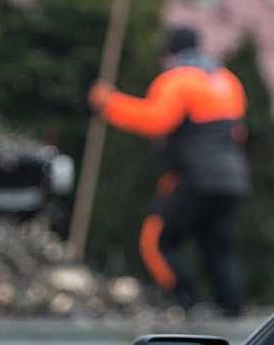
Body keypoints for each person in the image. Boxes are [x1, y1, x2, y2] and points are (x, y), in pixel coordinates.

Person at [89, 25, 251, 313]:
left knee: (158, 239)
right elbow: (238, 131)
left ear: (169, 52)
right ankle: (231, 310)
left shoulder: (178, 80)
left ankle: (185, 302)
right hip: (233, 178)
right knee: (219, 248)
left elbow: (156, 120)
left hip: (197, 176)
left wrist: (108, 103)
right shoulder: (227, 80)